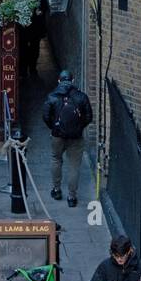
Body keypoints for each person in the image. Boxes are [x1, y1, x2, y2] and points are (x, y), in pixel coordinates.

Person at [42, 68, 93, 207]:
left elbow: (46, 116)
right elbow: (89, 117)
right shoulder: (81, 97)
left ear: (59, 81)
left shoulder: (52, 96)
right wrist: (79, 127)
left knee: (56, 159)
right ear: (73, 81)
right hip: (76, 137)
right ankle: (71, 197)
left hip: (57, 136)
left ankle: (57, 190)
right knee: (74, 166)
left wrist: (54, 128)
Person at [18, 0, 48, 78]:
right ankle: (25, 69)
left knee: (33, 47)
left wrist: (41, 10)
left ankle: (31, 68)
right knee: (24, 47)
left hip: (35, 22)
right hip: (25, 21)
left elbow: (44, 0)